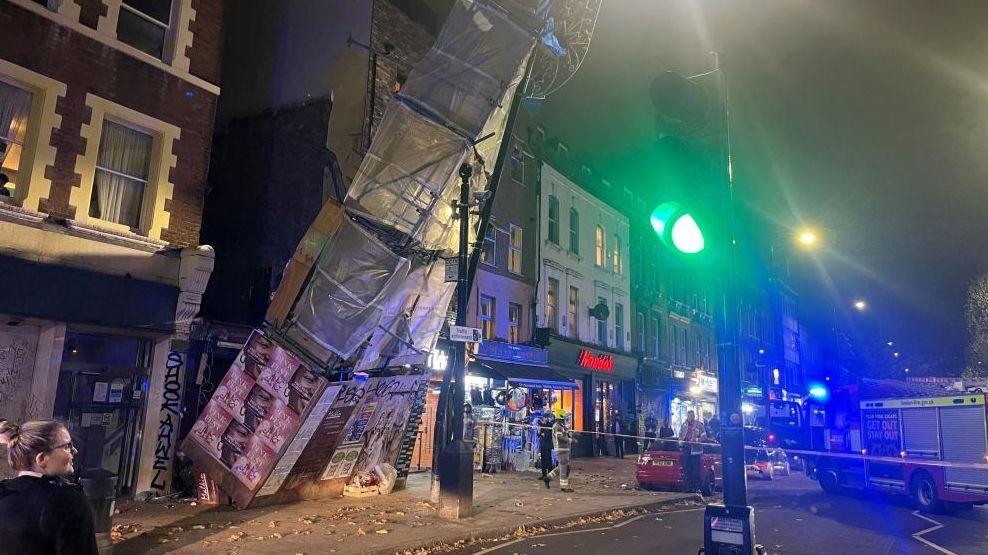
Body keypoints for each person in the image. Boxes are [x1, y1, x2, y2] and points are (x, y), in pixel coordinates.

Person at [0, 420, 99, 554]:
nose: (74, 451)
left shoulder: (4, 493)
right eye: (67, 446)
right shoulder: (68, 501)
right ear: (41, 459)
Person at [678, 410, 707, 493]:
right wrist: (680, 442)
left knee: (696, 470)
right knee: (687, 469)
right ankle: (688, 487)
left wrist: (696, 440)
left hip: (696, 450)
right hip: (686, 449)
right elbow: (680, 435)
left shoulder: (699, 425)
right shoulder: (684, 425)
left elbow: (704, 436)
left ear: (694, 416)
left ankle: (696, 488)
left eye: (691, 416)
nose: (690, 417)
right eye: (689, 415)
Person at [546, 409, 575, 492]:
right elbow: (560, 437)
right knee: (564, 468)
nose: (565, 419)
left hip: (564, 449)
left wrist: (569, 432)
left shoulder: (560, 426)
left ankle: (548, 478)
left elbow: (565, 434)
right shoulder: (557, 426)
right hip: (561, 449)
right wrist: (569, 440)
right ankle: (563, 487)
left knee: (564, 466)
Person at [537, 413, 555, 489]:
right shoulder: (541, 425)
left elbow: (549, 434)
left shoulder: (550, 425)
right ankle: (544, 475)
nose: (544, 419)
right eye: (543, 418)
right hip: (542, 444)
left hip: (548, 444)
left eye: (545, 418)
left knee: (548, 459)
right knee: (543, 459)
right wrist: (539, 430)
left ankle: (549, 475)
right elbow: (539, 434)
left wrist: (543, 433)